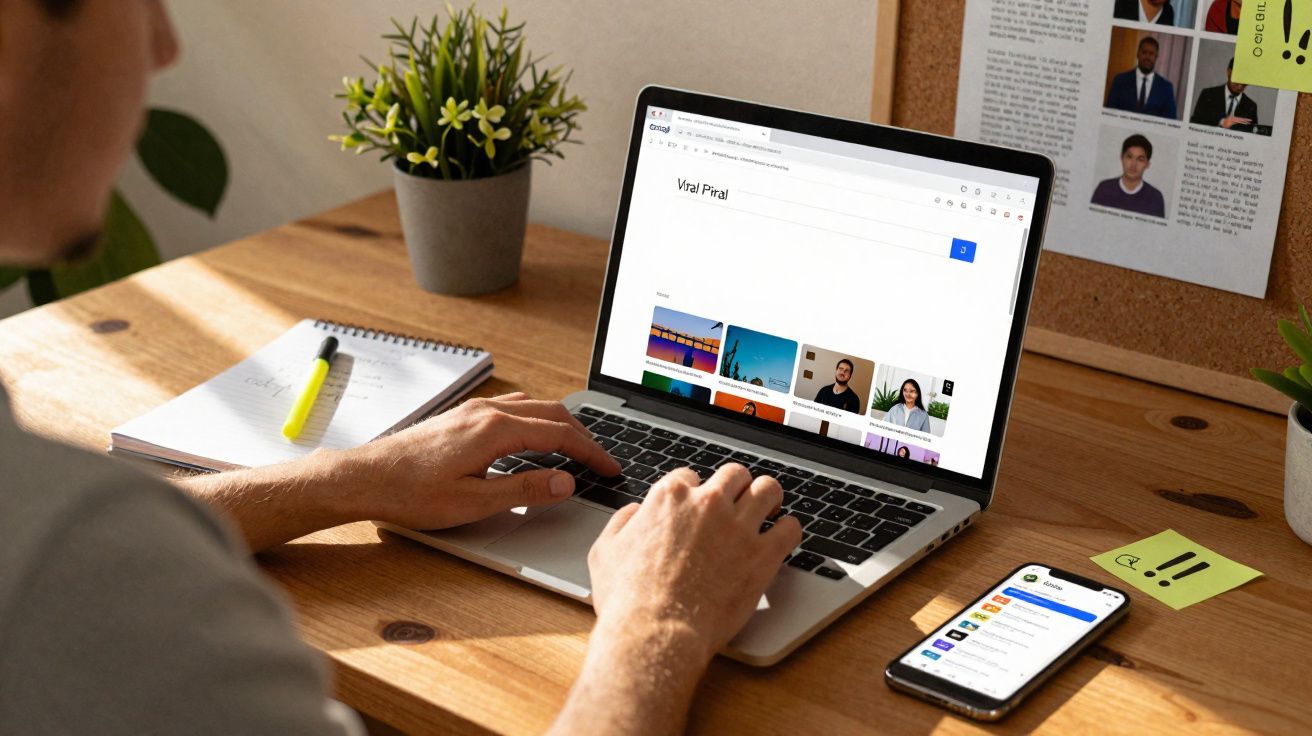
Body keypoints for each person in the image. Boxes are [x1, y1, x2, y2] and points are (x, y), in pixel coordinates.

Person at [0, 2, 803, 733]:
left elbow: (111, 546)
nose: (166, 45)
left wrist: (342, 480)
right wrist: (659, 623)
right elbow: (89, 556)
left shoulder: (60, 527)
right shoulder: (66, 564)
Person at [1091, 134, 1167, 218]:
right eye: (1129, 157)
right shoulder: (1104, 189)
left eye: (1140, 159)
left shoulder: (1155, 198)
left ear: (1147, 164)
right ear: (1122, 158)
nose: (1133, 164)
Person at [1105, 36, 1178, 119]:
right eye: (1144, 52)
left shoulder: (1166, 87)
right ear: (1138, 54)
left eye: (1151, 54)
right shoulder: (1120, 80)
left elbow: (1171, 120)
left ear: (1156, 57)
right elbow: (1109, 112)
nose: (1147, 57)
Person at [1190, 58, 1260, 133]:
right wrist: (1222, 122)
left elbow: (1252, 134)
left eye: (1244, 83)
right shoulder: (1208, 94)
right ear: (1228, 72)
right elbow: (1194, 122)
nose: (1240, 86)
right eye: (1237, 79)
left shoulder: (1251, 106)